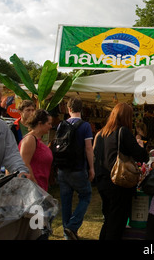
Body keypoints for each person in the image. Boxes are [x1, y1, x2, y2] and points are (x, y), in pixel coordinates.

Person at [93, 102, 149, 240]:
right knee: (117, 223)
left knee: (109, 219)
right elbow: (142, 156)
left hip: (103, 181)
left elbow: (96, 156)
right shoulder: (123, 132)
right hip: (118, 182)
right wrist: (140, 146)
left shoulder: (101, 134)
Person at [56, 97, 95, 240]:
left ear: (69, 109)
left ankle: (68, 235)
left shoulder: (61, 125)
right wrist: (91, 168)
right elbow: (88, 148)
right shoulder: (85, 126)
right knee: (85, 196)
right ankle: (72, 227)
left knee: (66, 201)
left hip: (63, 168)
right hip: (78, 168)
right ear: (81, 109)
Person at [18, 109, 53, 191]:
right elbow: (25, 163)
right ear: (40, 124)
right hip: (33, 189)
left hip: (40, 187)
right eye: (49, 124)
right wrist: (35, 184)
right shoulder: (30, 139)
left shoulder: (38, 140)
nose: (51, 126)